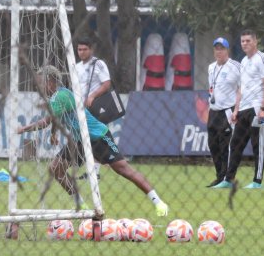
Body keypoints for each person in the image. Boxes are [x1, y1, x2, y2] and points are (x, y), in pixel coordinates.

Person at [18, 65, 169, 217]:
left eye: (40, 82)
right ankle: (81, 204)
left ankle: (158, 202)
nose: (38, 86)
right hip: (80, 140)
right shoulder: (56, 97)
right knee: (56, 168)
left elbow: (46, 121)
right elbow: (56, 117)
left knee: (123, 169)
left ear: (50, 81)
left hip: (98, 137)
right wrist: (53, 134)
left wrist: (23, 129)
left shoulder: (61, 96)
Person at [216, 30, 264, 190]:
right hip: (244, 109)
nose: (245, 44)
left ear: (255, 41)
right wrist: (236, 110)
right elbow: (241, 88)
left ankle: (257, 181)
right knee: (235, 144)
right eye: (242, 41)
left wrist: (263, 108)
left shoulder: (262, 59)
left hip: (257, 107)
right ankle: (228, 179)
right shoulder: (243, 61)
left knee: (258, 144)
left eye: (248, 40)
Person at [204, 37, 241, 188]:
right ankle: (219, 176)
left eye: (222, 48)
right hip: (213, 111)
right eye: (216, 48)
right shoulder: (211, 67)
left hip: (227, 111)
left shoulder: (235, 66)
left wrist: (237, 110)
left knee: (226, 145)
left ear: (227, 50)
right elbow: (212, 89)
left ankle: (228, 178)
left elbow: (241, 89)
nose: (219, 51)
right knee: (213, 145)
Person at [74, 39, 112, 112]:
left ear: (91, 50)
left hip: (96, 104)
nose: (82, 52)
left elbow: (107, 84)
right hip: (80, 107)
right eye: (80, 50)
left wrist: (92, 96)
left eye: (85, 49)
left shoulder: (98, 63)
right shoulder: (76, 66)